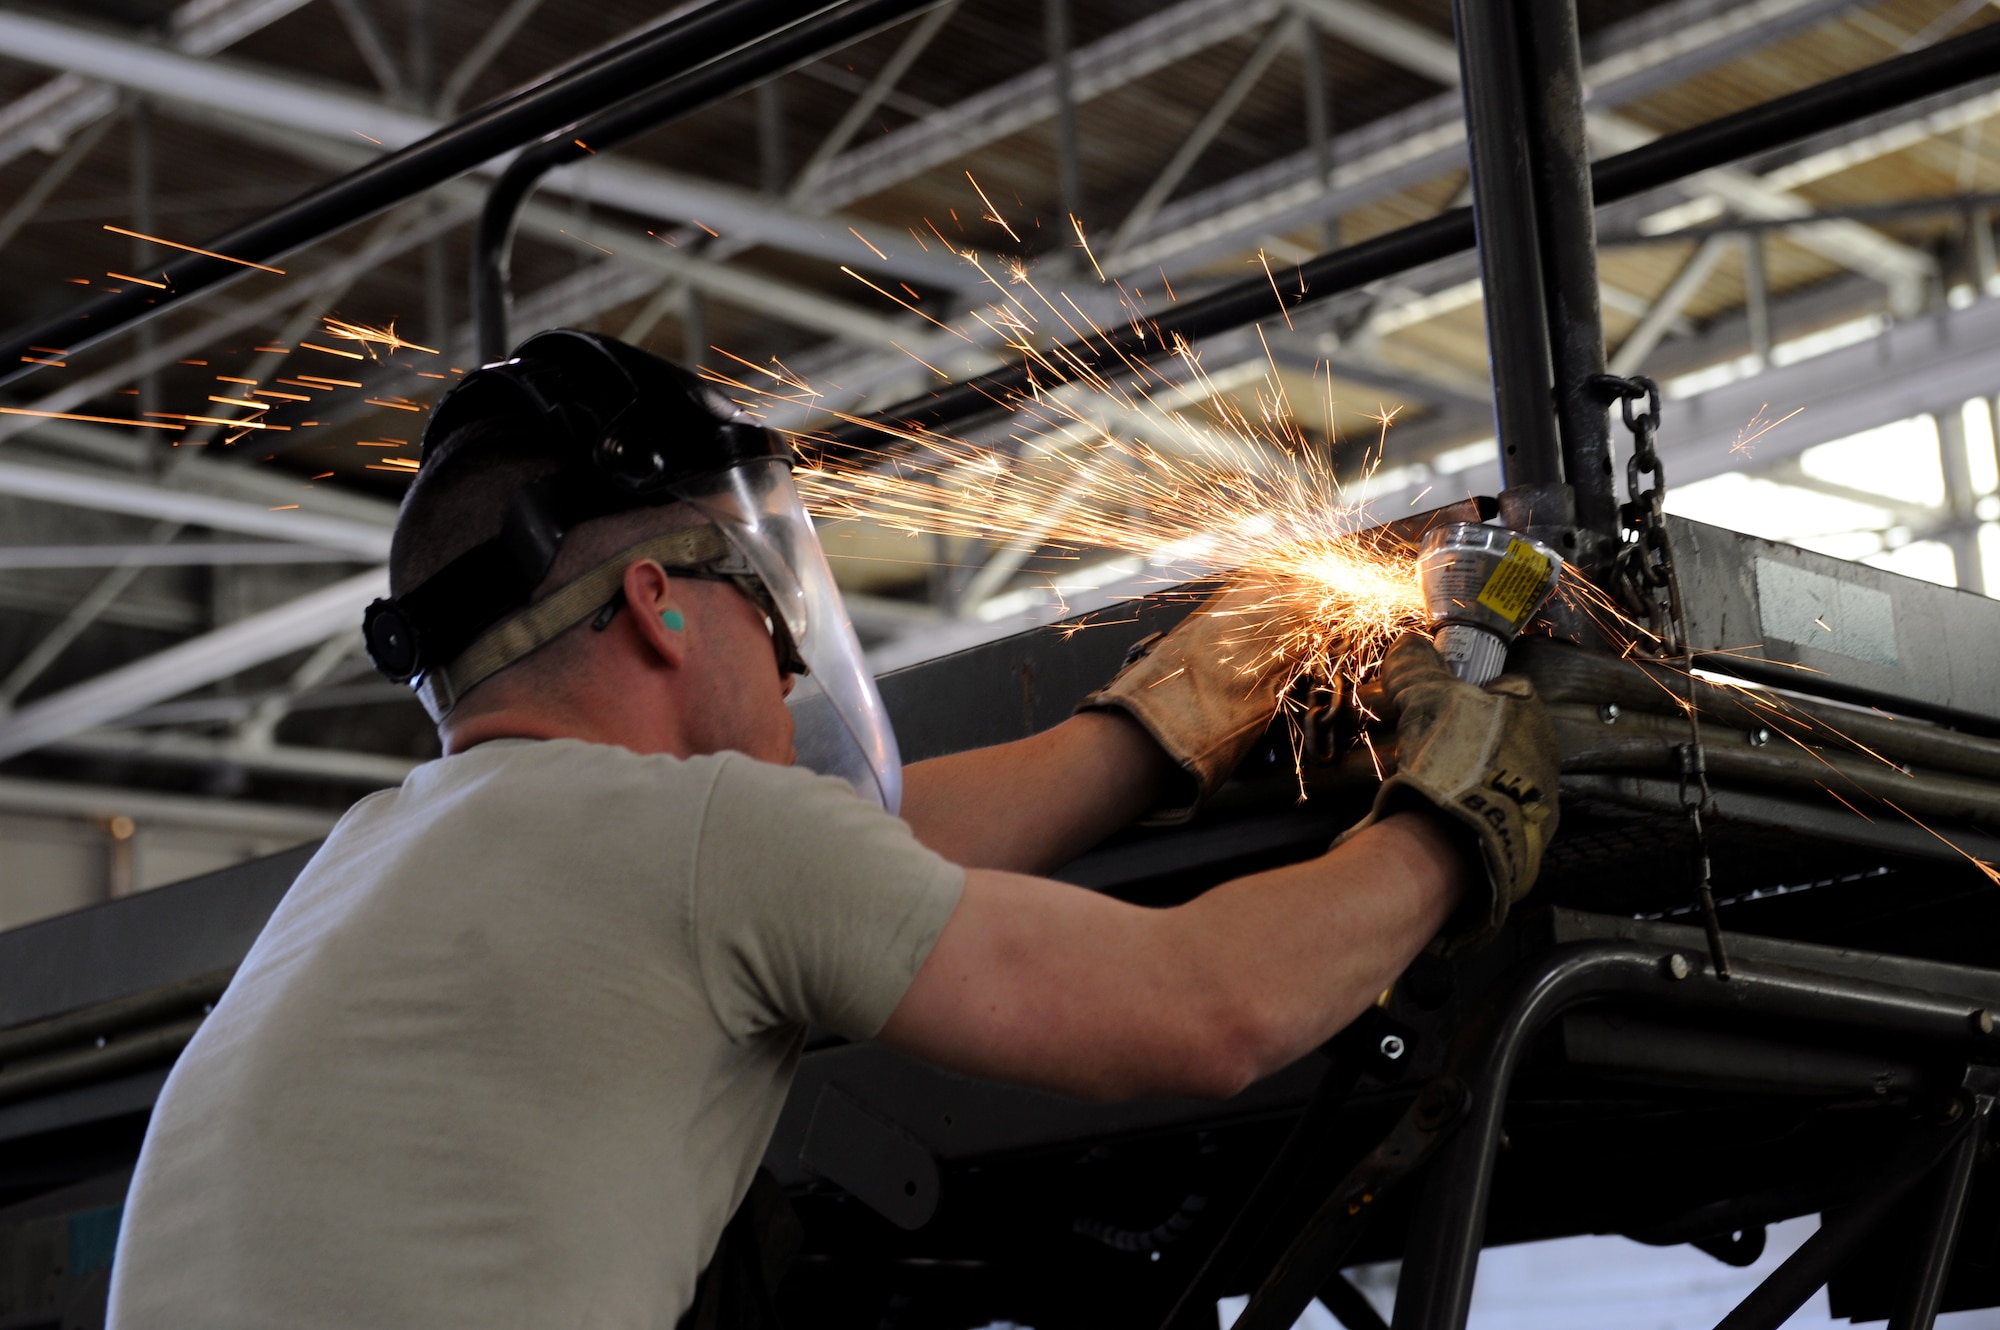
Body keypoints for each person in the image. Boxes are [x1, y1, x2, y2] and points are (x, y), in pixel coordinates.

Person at [105, 330, 1559, 1329]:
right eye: (762, 601)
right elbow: (1205, 1011)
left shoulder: (383, 857)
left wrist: (1168, 713)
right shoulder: (695, 841)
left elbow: (872, 842)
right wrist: (1452, 820)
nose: (792, 659)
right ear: (656, 609)